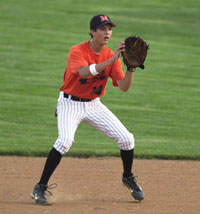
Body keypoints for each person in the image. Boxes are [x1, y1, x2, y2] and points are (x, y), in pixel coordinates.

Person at [31, 14, 144, 205]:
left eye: (110, 29)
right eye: (103, 28)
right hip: (69, 103)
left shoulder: (112, 55)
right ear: (93, 31)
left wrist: (131, 68)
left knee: (127, 139)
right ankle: (40, 187)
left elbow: (123, 87)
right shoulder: (78, 51)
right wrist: (110, 61)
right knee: (65, 140)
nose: (107, 32)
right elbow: (83, 72)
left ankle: (128, 177)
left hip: (93, 105)